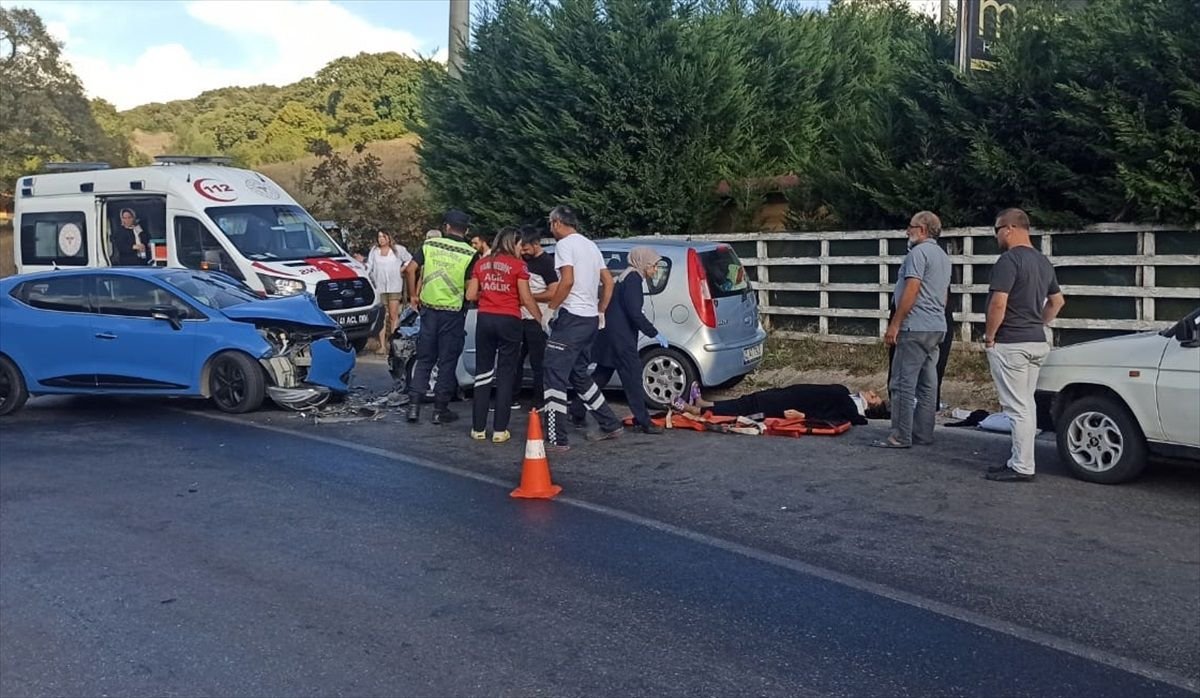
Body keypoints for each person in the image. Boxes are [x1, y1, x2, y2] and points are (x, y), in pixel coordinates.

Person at [984, 208, 1066, 482]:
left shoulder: (1009, 260)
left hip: (1011, 343)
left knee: (1016, 408)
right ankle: (1020, 460)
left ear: (1009, 228)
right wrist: (1038, 323)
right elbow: (1057, 302)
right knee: (1026, 405)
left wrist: (990, 336)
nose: (996, 236)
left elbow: (999, 303)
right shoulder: (1043, 262)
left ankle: (1022, 466)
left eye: (997, 229)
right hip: (1036, 342)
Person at [540, 205, 624, 451]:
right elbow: (608, 281)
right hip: (589, 319)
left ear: (557, 223)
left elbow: (567, 281)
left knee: (554, 373)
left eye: (550, 224)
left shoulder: (564, 245)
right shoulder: (590, 245)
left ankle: (556, 437)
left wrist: (551, 309)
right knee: (578, 374)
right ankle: (609, 423)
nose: (551, 229)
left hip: (572, 318)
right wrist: (601, 310)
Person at [874, 211, 951, 450]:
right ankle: (923, 433)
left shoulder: (917, 254)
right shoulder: (942, 256)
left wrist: (895, 323)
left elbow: (912, 289)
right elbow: (944, 295)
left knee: (902, 382)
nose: (907, 231)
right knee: (928, 383)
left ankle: (900, 435)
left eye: (911, 226)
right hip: (936, 326)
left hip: (914, 326)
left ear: (923, 230)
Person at [465, 228, 542, 443]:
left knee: (483, 373)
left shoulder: (481, 264)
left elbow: (470, 294)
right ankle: (500, 430)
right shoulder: (518, 266)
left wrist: (489, 293)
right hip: (509, 320)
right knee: (506, 373)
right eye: (519, 244)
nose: (521, 249)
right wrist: (540, 320)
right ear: (512, 243)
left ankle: (478, 428)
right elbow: (526, 298)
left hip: (485, 319)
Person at [404, 210, 479, 425]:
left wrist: (413, 295)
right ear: (466, 230)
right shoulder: (470, 254)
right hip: (453, 314)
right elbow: (469, 289)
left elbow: (410, 269)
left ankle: (413, 407)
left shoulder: (430, 245)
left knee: (425, 359)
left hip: (429, 310)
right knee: (447, 361)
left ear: (446, 227)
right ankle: (440, 410)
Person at [590, 247, 668, 435]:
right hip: (621, 338)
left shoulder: (626, 277)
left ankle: (576, 409)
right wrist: (653, 333)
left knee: (601, 374)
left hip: (611, 334)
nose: (655, 270)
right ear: (644, 264)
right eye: (654, 265)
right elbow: (634, 312)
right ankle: (644, 421)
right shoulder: (633, 280)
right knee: (633, 378)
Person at [673, 384, 887, 425]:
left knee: (751, 406)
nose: (871, 393)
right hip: (793, 393)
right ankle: (706, 403)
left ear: (870, 406)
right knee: (751, 399)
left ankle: (698, 409)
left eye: (874, 397)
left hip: (794, 404)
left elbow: (830, 420)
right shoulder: (847, 394)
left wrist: (803, 417)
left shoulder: (852, 411)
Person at [515, 225, 559, 409]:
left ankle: (539, 399)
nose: (523, 253)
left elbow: (553, 292)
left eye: (525, 249)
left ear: (535, 244)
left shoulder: (546, 263)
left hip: (537, 318)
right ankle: (512, 397)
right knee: (515, 359)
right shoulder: (520, 260)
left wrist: (528, 298)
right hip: (519, 318)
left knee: (538, 361)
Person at [365, 231, 415, 356]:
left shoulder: (398, 249)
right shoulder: (374, 251)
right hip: (379, 287)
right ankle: (382, 345)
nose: (381, 239)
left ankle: (393, 345)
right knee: (381, 316)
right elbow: (369, 266)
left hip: (394, 286)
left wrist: (402, 269)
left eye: (383, 236)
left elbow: (409, 260)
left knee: (393, 316)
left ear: (389, 237)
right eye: (379, 237)